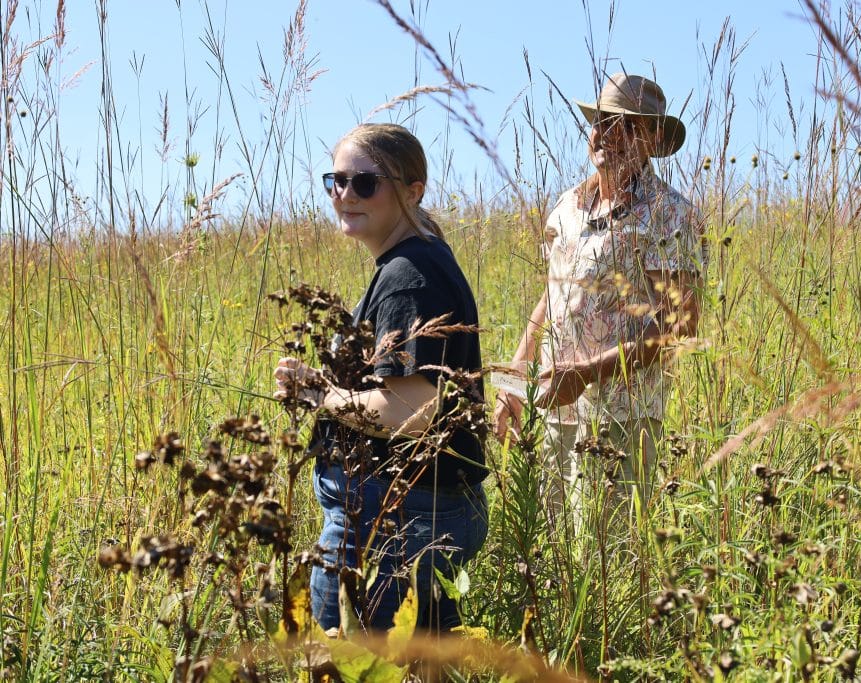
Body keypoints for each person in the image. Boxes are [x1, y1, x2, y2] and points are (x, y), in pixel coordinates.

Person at [274, 123, 488, 633]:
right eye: (336, 180)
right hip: (410, 511)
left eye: (365, 183)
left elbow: (409, 410)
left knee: (350, 662)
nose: (345, 194)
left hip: (395, 520)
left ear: (412, 192)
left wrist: (319, 394)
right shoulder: (416, 261)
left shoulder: (407, 276)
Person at [494, 73, 704, 524]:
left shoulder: (671, 214)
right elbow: (550, 300)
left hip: (621, 417)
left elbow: (680, 325)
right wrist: (513, 386)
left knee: (604, 551)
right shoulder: (568, 206)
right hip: (552, 407)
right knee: (550, 549)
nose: (608, 135)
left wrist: (589, 373)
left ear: (651, 139)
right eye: (602, 122)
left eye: (627, 126)